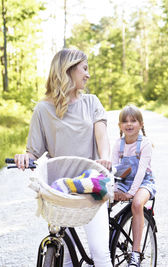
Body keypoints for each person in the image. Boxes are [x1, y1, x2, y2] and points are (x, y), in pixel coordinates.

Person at [14, 48, 113, 267]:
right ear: (68, 70)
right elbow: (34, 151)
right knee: (64, 255)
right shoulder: (42, 109)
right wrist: (25, 157)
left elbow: (102, 136)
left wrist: (105, 158)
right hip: (59, 189)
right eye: (84, 69)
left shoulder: (91, 102)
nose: (88, 75)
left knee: (100, 253)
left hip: (90, 183)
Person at [111, 104, 156, 267]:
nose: (129, 124)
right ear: (120, 126)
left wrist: (130, 193)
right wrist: (115, 191)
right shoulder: (118, 144)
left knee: (136, 204)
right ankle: (103, 248)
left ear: (141, 124)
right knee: (102, 202)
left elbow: (141, 171)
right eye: (125, 121)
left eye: (133, 121)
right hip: (123, 181)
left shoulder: (145, 144)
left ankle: (136, 252)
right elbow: (114, 170)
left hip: (144, 182)